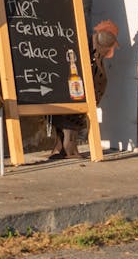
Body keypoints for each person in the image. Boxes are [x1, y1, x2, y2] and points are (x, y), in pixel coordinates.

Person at [48, 19, 118, 159]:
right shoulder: (79, 52)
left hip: (81, 92)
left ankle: (68, 147)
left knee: (76, 112)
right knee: (69, 110)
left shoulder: (95, 58)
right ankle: (65, 146)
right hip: (70, 90)